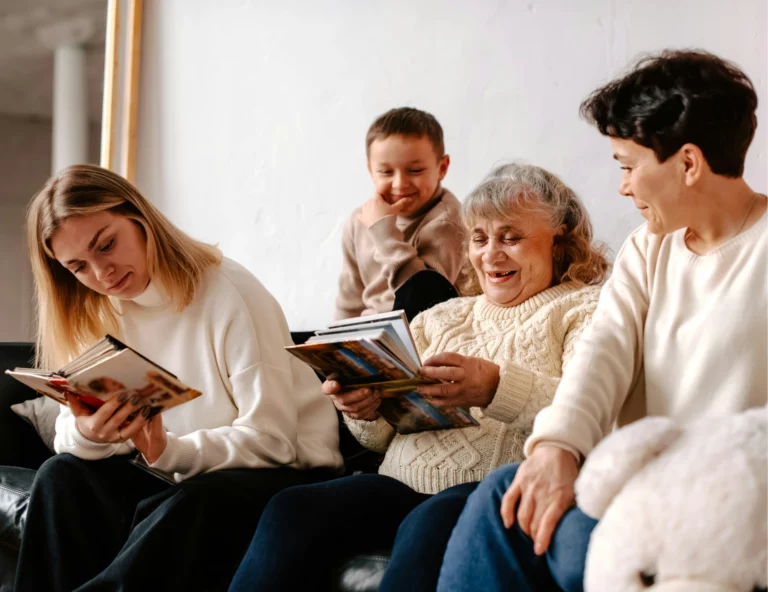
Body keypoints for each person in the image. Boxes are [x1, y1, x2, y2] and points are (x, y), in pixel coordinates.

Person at [438, 49, 767, 592]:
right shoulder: (648, 248)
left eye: (628, 166)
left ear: (688, 164)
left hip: (727, 512)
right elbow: (603, 351)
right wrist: (556, 447)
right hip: (636, 489)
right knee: (507, 496)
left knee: (536, 530)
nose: (623, 186)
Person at [227, 162, 610, 591]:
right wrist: (365, 410)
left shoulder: (586, 308)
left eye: (511, 237)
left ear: (559, 240)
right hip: (395, 486)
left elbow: (590, 408)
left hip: (484, 492)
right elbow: (378, 440)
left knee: (434, 519)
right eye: (479, 238)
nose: (491, 254)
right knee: (292, 508)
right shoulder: (443, 316)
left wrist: (495, 388)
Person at [13, 164, 343, 592]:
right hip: (176, 474)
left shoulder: (231, 293)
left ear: (140, 217)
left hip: (280, 474)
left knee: (198, 500)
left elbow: (273, 441)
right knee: (61, 475)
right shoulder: (97, 307)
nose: (102, 274)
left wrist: (170, 450)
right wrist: (90, 433)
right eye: (78, 267)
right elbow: (67, 436)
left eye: (107, 245)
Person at [334, 106, 466, 322]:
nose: (399, 184)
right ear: (371, 171)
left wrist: (383, 233)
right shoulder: (359, 221)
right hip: (369, 332)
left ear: (442, 168)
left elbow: (423, 300)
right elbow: (349, 301)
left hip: (422, 331)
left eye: (415, 171)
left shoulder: (448, 221)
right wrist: (340, 339)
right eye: (386, 172)